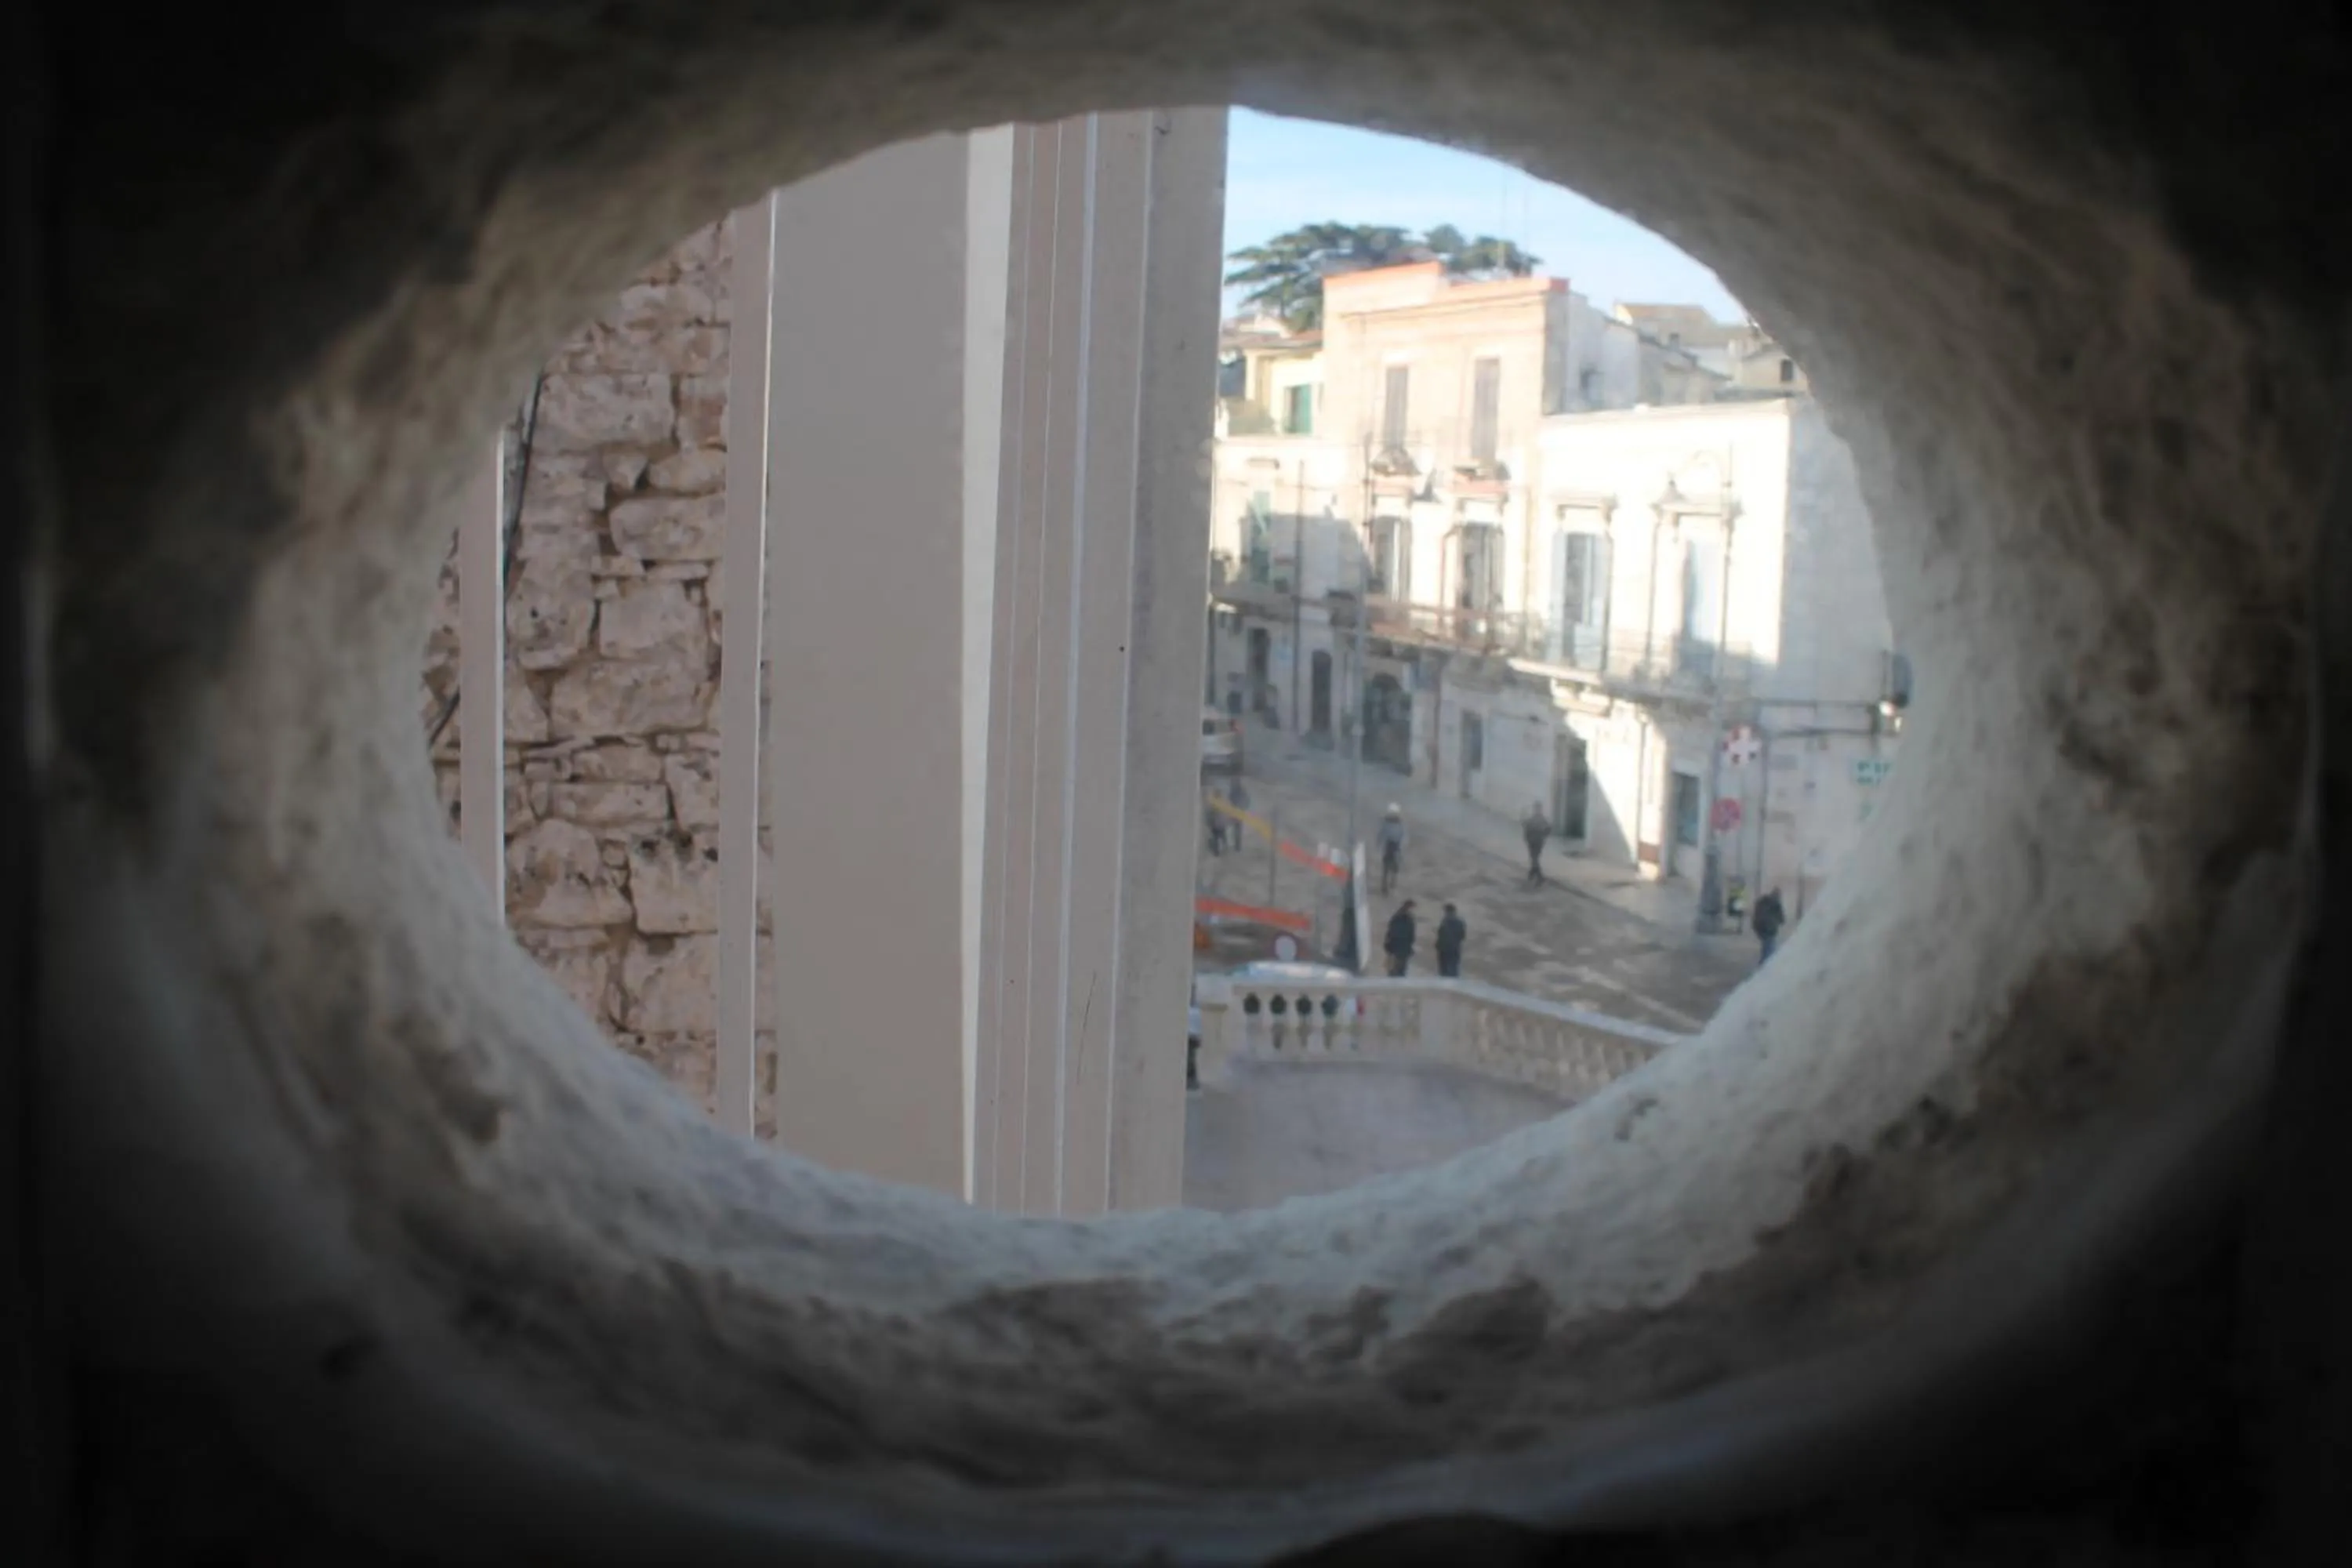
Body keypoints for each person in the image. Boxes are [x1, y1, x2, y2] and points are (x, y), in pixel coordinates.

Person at [1752, 886, 1787, 967]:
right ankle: (1765, 968)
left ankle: (1763, 965)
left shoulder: (1763, 901)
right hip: (1770, 929)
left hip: (1760, 928)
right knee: (1770, 950)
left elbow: (1756, 913)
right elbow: (1782, 919)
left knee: (1765, 947)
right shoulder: (1777, 904)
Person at [1377, 804, 1407, 895]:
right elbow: (1381, 833)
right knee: (1386, 866)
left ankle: (1392, 881)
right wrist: (1379, 843)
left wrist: (1403, 845)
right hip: (1389, 845)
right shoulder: (1386, 822)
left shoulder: (1401, 823)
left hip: (1396, 846)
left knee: (1395, 866)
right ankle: (1384, 885)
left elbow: (1404, 835)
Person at [1383, 900, 1417, 978]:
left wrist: (1387, 943)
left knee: (1396, 966)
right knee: (1400, 967)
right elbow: (1411, 934)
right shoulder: (1408, 918)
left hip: (1396, 945)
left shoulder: (1397, 916)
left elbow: (1390, 931)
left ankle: (1394, 977)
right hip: (1402, 946)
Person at [1521, 802, 1552, 887]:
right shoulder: (1541, 820)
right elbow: (1548, 829)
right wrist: (1544, 836)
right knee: (1535, 858)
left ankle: (1537, 875)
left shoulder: (1533, 820)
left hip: (1534, 842)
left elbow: (1526, 829)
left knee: (1534, 858)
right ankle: (1534, 873)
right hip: (1537, 842)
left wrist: (1527, 839)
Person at [1435, 902, 1467, 978]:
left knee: (1445, 969)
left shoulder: (1445, 922)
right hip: (1453, 948)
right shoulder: (1459, 923)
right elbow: (1462, 936)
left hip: (1445, 948)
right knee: (1452, 968)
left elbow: (1441, 935)